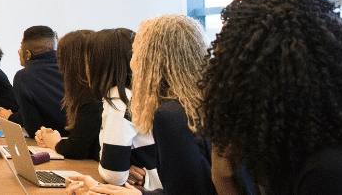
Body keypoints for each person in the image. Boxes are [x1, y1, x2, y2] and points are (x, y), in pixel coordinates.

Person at [199, 0, 342, 195]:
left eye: (225, 65)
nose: (217, 78)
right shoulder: (293, 152)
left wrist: (224, 183)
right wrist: (225, 181)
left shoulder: (334, 169)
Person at [67, 16, 215, 195]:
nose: (131, 62)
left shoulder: (170, 115)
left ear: (152, 61)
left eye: (135, 53)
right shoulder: (204, 103)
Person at [81, 28, 160, 190]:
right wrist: (124, 167)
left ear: (98, 63)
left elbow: (114, 176)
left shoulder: (119, 99)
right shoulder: (145, 93)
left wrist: (118, 168)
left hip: (148, 188)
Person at [36, 29, 99, 160]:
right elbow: (85, 142)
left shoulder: (92, 99)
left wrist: (55, 143)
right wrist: (54, 140)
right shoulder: (90, 93)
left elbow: (76, 150)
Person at [12, 25, 68, 137]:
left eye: (21, 47)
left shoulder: (23, 77)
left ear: (28, 54)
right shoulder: (70, 67)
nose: (19, 52)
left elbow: (34, 129)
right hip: (79, 141)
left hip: (51, 142)